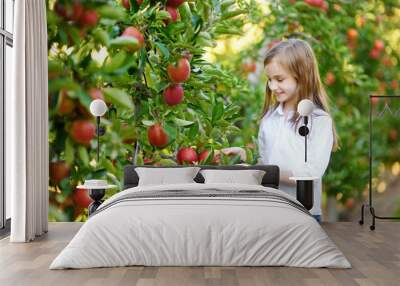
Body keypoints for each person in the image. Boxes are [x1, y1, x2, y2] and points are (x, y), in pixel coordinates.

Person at [258, 38, 339, 223]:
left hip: (304, 213)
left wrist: (267, 172)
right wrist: (245, 158)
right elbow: (263, 160)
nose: (273, 86)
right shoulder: (269, 118)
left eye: (279, 79)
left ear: (301, 76)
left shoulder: (319, 120)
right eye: (270, 80)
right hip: (270, 210)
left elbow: (310, 175)